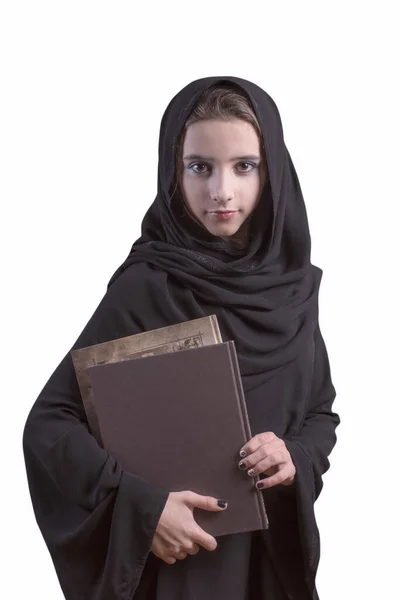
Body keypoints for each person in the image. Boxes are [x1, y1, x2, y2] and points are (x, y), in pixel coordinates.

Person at [23, 75, 339, 600]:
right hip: (177, 572)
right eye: (199, 167)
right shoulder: (148, 286)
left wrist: (294, 458)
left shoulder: (293, 288)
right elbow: (50, 426)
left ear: (274, 171)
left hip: (266, 569)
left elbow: (320, 415)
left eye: (245, 166)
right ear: (174, 171)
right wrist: (144, 509)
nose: (221, 191)